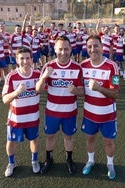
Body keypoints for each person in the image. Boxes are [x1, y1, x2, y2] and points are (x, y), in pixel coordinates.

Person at [36, 36, 84, 175]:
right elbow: (38, 89)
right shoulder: (48, 66)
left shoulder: (77, 68)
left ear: (70, 49)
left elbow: (82, 91)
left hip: (70, 111)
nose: (63, 52)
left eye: (66, 49)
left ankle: (69, 159)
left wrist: (75, 90)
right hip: (52, 111)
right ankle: (49, 159)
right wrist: (45, 76)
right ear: (55, 49)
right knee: (50, 136)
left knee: (68, 137)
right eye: (60, 49)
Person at [80, 35, 120, 180]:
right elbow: (80, 88)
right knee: (90, 139)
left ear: (102, 47)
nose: (93, 49)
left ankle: (110, 164)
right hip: (89, 114)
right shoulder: (83, 65)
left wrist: (99, 88)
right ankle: (90, 161)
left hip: (107, 115)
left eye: (96, 46)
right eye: (89, 47)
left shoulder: (112, 66)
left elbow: (115, 94)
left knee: (108, 141)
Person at [2, 47, 41, 177]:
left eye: (27, 58)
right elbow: (5, 99)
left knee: (34, 140)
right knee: (11, 141)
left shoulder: (37, 74)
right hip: (16, 119)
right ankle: (11, 163)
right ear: (17, 60)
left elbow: (44, 88)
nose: (25, 61)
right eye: (22, 58)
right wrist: (17, 92)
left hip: (33, 117)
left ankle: (34, 161)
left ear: (32, 59)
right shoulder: (11, 76)